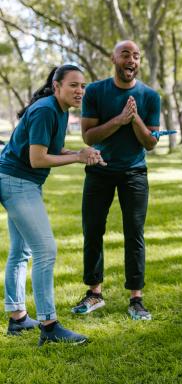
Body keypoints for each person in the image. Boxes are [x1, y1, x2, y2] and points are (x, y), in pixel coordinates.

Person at [2, 64, 105, 345]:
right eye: (73, 85)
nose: (80, 91)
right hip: (17, 182)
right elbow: (37, 159)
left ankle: (18, 318)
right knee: (45, 251)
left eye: (83, 85)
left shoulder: (58, 109)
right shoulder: (47, 109)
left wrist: (80, 152)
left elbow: (52, 149)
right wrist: (77, 158)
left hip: (20, 181)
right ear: (56, 86)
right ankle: (49, 325)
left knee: (21, 251)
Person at [71, 40, 160, 320]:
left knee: (134, 233)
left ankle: (136, 298)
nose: (131, 59)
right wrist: (120, 120)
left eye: (135, 55)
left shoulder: (149, 96)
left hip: (134, 173)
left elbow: (150, 143)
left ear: (138, 63)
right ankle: (94, 294)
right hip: (99, 169)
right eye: (125, 54)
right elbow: (89, 136)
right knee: (93, 230)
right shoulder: (96, 91)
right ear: (114, 59)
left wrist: (134, 121)